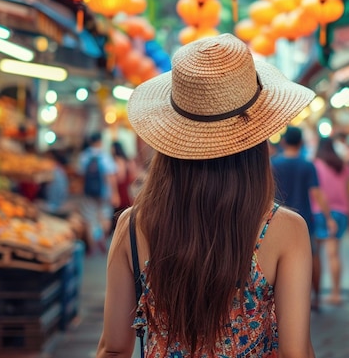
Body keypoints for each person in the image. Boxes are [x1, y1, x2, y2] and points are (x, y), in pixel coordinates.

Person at [97, 34, 317, 358]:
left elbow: (114, 348)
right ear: (257, 141)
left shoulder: (133, 225)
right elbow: (295, 353)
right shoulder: (287, 230)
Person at [271, 126, 334, 312]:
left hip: (277, 220)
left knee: (278, 260)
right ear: (300, 143)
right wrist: (329, 217)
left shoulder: (273, 163)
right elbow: (317, 193)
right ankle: (315, 297)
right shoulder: (307, 165)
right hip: (304, 220)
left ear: (284, 142)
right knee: (313, 256)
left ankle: (280, 304)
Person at [311, 137, 349, 306]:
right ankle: (336, 293)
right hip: (342, 213)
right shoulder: (344, 166)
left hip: (320, 212)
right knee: (334, 254)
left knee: (317, 255)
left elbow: (316, 192)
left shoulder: (315, 165)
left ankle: (317, 294)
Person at [78, 132, 120, 253]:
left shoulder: (84, 156)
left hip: (88, 192)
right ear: (100, 142)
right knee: (105, 216)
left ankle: (92, 246)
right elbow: (111, 177)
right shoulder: (105, 157)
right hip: (104, 193)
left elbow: (81, 176)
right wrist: (115, 194)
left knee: (89, 218)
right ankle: (101, 237)